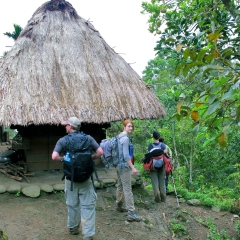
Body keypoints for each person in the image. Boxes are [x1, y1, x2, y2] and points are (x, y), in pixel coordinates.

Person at [52, 117, 103, 240]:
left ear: (70, 126)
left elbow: (54, 156)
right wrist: (91, 158)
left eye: (66, 125)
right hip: (86, 178)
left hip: (71, 179)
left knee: (72, 204)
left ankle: (73, 228)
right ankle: (88, 234)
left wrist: (63, 159)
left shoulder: (63, 140)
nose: (65, 127)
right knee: (88, 206)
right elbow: (100, 152)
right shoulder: (88, 138)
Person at [115, 119, 142, 222]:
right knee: (127, 189)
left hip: (118, 165)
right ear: (124, 127)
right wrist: (133, 168)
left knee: (120, 185)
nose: (131, 128)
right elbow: (126, 156)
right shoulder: (125, 139)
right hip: (124, 166)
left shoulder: (119, 137)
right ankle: (131, 212)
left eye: (132, 126)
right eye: (129, 126)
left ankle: (119, 205)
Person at [148, 131, 167, 203]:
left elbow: (149, 156)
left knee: (155, 183)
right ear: (159, 137)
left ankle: (157, 198)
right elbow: (166, 156)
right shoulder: (163, 145)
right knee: (162, 182)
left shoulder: (150, 146)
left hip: (153, 167)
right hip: (162, 166)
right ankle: (163, 198)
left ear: (153, 137)